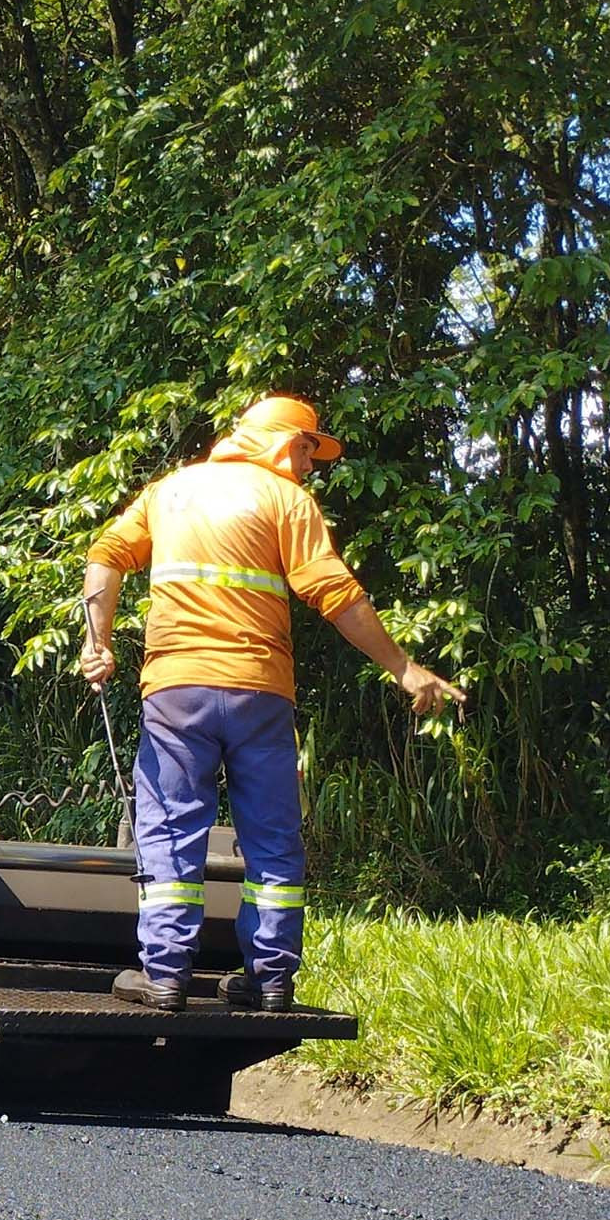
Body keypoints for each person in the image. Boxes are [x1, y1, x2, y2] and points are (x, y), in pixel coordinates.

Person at [79, 395, 465, 1013]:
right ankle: (272, 979)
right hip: (261, 693)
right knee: (272, 836)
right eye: (311, 449)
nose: (313, 465)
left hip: (178, 691)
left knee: (173, 831)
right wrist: (404, 667)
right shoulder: (287, 500)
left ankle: (166, 977)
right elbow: (332, 590)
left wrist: (98, 644)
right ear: (287, 443)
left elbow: (105, 555)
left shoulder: (170, 491)